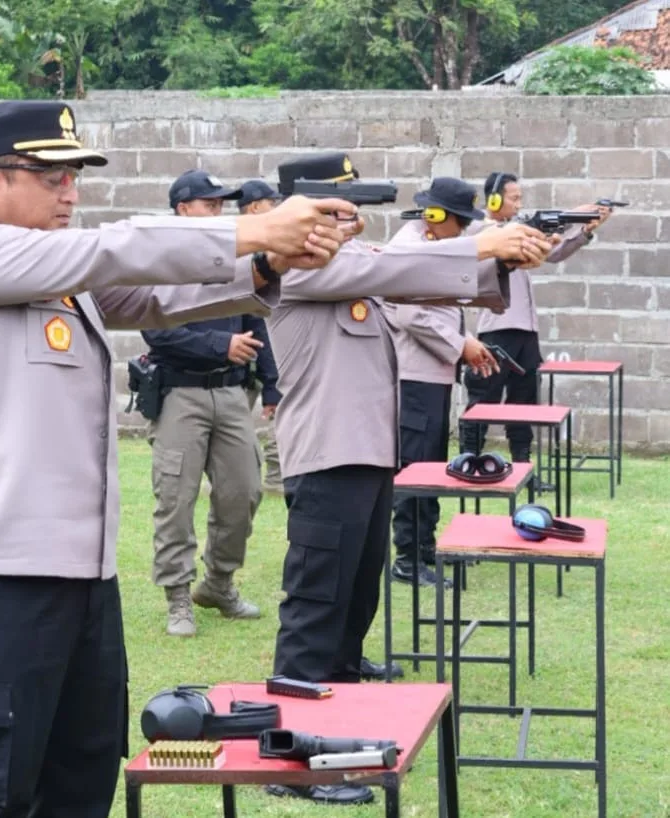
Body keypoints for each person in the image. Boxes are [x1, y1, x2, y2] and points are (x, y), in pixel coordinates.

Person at [0, 100, 353, 818]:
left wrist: (266, 261)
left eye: (74, 176)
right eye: (51, 177)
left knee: (81, 784)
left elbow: (153, 294)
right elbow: (115, 250)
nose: (71, 193)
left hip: (85, 579)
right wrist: (251, 228)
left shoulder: (53, 265)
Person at [258, 152, 555, 807]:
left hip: (365, 452)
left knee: (353, 607)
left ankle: (335, 743)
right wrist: (485, 243)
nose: (352, 216)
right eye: (338, 204)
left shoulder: (353, 260)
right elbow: (395, 268)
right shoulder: (300, 264)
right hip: (327, 455)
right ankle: (291, 763)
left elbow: (414, 279)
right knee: (315, 609)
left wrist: (502, 259)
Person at [142, 169, 263, 638]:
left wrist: (271, 383)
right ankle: (178, 595)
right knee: (176, 497)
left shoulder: (233, 258)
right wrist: (220, 346)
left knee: (243, 491)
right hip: (181, 393)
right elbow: (157, 331)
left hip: (231, 392)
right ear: (182, 209)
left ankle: (218, 583)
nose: (218, 211)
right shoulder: (161, 260)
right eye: (209, 203)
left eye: (221, 204)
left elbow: (255, 318)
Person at [384, 178, 500, 587]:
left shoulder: (429, 244)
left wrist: (463, 341)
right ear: (435, 215)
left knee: (432, 465)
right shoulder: (410, 248)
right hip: (414, 376)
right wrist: (461, 345)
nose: (464, 230)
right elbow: (410, 315)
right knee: (416, 467)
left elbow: (439, 308)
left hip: (431, 372)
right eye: (461, 221)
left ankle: (424, 548)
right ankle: (407, 558)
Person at [460, 171, 611, 462]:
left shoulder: (517, 230)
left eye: (520, 198)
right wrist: (571, 216)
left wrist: (583, 230)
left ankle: (522, 465)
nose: (518, 204)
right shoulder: (481, 230)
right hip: (498, 329)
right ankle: (467, 459)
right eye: (514, 198)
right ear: (494, 200)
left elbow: (553, 253)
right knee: (484, 399)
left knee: (524, 402)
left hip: (526, 331)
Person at [237, 180, 285, 493]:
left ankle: (275, 477)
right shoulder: (245, 248)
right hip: (243, 354)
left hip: (255, 352)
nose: (276, 208)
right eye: (271, 203)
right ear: (255, 207)